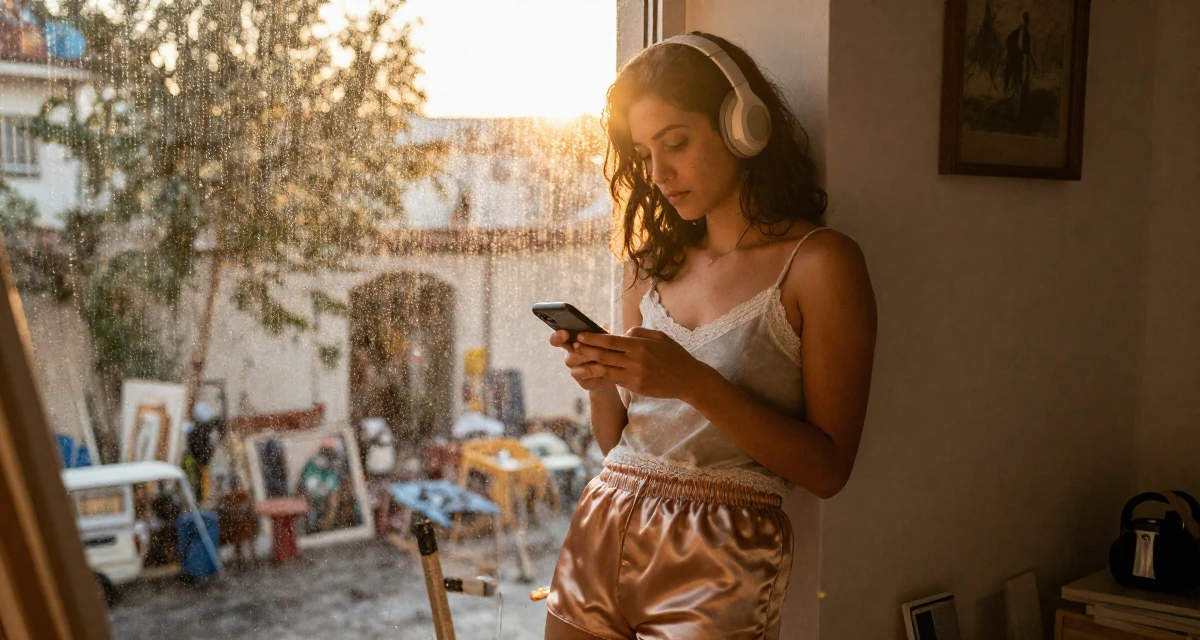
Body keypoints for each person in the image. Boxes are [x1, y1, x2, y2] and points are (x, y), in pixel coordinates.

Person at [543, 32, 876, 639]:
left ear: (741, 126)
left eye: (676, 143)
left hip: (719, 556)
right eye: (644, 153)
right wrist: (598, 382)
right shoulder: (652, 264)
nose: (659, 173)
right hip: (603, 523)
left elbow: (828, 471)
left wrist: (690, 381)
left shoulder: (820, 265)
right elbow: (620, 443)